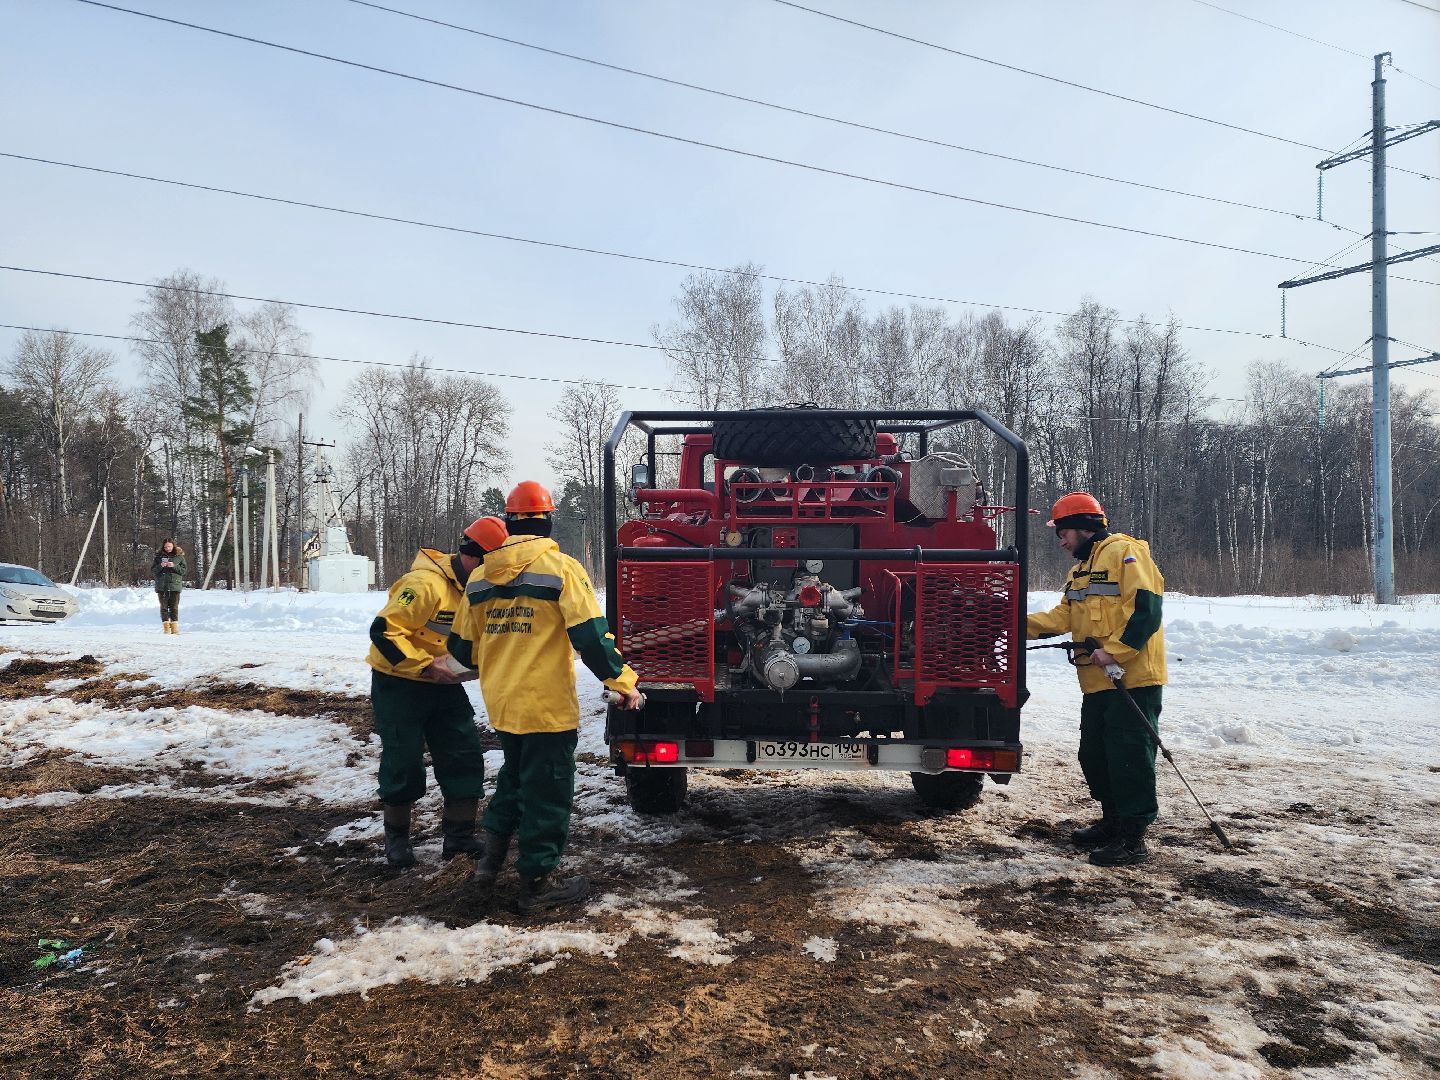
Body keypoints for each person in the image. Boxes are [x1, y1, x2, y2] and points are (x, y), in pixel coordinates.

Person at [449, 480, 642, 914]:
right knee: (549, 792)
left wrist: (502, 650)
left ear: (510, 521)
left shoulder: (479, 577)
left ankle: (487, 868)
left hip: (503, 703)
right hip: (547, 706)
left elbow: (462, 651)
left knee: (514, 780)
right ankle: (536, 883)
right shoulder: (561, 570)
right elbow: (591, 638)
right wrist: (622, 681)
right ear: (548, 522)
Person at [1027, 492, 1166, 867]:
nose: (1060, 540)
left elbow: (1147, 608)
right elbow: (1061, 619)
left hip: (1131, 679)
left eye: (1063, 532)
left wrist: (1116, 651)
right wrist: (1011, 623)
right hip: (1098, 683)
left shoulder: (1125, 552)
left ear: (1083, 527)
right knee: (1096, 754)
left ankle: (1133, 839)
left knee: (1129, 757)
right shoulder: (1080, 571)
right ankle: (1112, 821)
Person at [366, 516, 509, 868]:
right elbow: (383, 632)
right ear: (475, 558)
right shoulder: (423, 584)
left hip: (445, 684)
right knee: (403, 759)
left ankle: (459, 837)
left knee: (463, 753)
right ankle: (396, 840)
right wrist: (425, 666)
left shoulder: (479, 589)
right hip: (400, 683)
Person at [152, 539, 187, 634]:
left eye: (170, 547)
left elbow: (184, 571)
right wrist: (160, 566)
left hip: (174, 586)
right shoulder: (158, 557)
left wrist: (174, 566)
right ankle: (166, 628)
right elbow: (154, 571)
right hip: (162, 586)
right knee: (163, 607)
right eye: (166, 547)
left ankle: (174, 628)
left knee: (174, 607)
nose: (168, 548)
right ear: (163, 547)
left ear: (173, 546)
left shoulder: (179, 557)